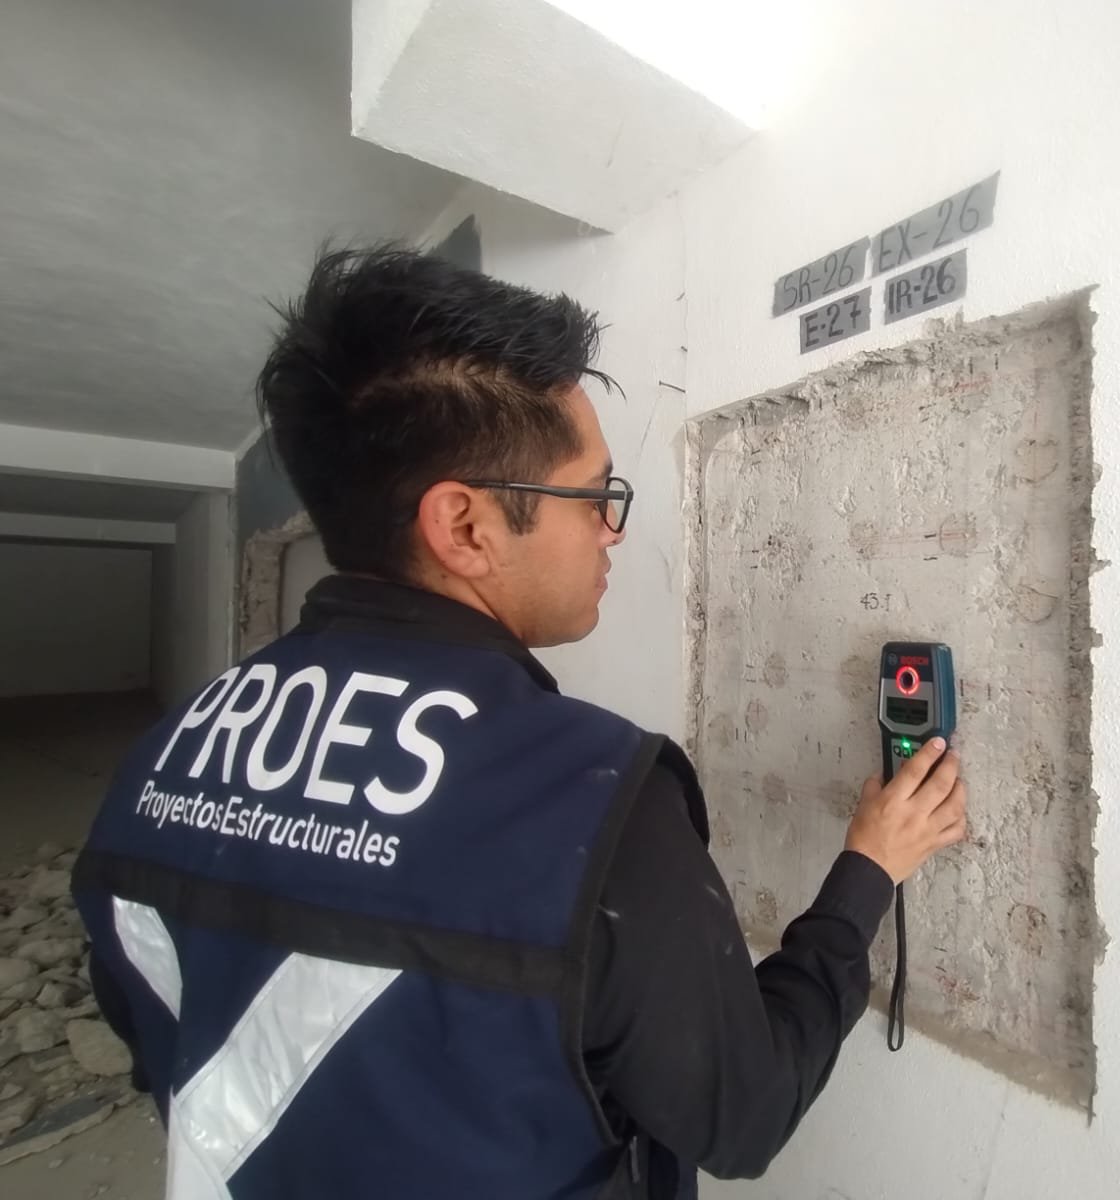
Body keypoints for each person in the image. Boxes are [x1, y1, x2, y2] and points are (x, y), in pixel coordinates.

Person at [71, 244, 967, 1199]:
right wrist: (868, 873)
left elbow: (157, 1030)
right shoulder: (588, 802)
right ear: (464, 527)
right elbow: (743, 1114)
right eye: (594, 495)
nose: (613, 529)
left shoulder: (167, 754)